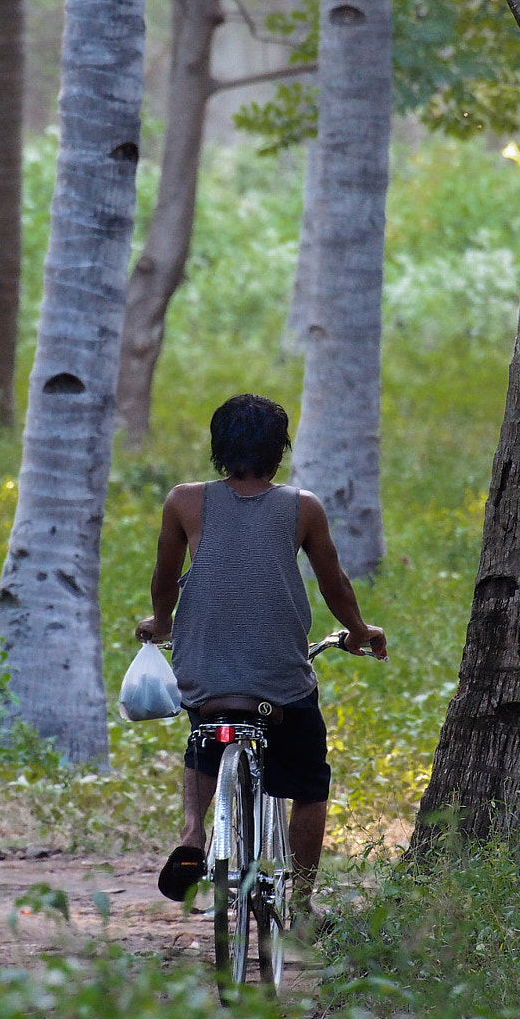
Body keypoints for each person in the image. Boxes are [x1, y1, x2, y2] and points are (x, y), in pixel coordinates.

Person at [136, 392, 386, 919]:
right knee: (310, 783)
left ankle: (191, 833)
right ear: (280, 450)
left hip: (204, 671)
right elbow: (334, 584)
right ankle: (301, 903)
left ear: (218, 448)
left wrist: (160, 624)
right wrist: (359, 631)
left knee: (205, 737)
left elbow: (164, 578)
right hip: (279, 680)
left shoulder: (184, 501)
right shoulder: (303, 507)